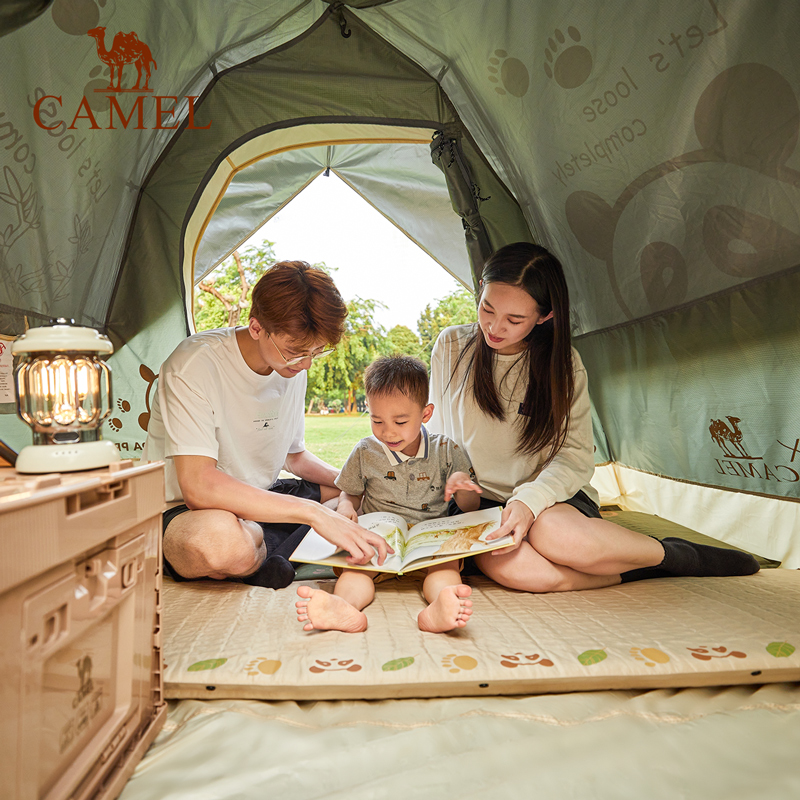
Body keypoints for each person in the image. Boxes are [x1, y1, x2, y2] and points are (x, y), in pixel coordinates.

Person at [428, 242, 760, 592]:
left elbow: (573, 456)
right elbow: (437, 435)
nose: (494, 327)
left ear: (545, 316)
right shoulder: (452, 346)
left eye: (514, 319)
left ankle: (675, 555)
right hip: (480, 504)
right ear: (481, 290)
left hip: (550, 497)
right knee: (523, 575)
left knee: (556, 539)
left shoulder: (562, 364)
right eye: (487, 309)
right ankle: (636, 569)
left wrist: (529, 501)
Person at [143, 260, 391, 589]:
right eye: (295, 351)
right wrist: (315, 513)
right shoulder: (194, 365)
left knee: (352, 491)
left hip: (262, 498)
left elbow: (295, 457)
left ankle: (267, 546)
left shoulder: (294, 369)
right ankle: (276, 543)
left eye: (316, 352)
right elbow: (198, 487)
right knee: (222, 543)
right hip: (188, 511)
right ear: (257, 327)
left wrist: (362, 481)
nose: (305, 364)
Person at [295, 355, 483, 633]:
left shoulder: (446, 450)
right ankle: (344, 607)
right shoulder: (365, 451)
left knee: (445, 571)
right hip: (377, 539)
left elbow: (470, 508)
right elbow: (350, 494)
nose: (388, 432)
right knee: (356, 570)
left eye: (400, 421)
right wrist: (346, 506)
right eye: (377, 420)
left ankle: (440, 608)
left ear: (425, 414)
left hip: (428, 541)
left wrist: (462, 486)